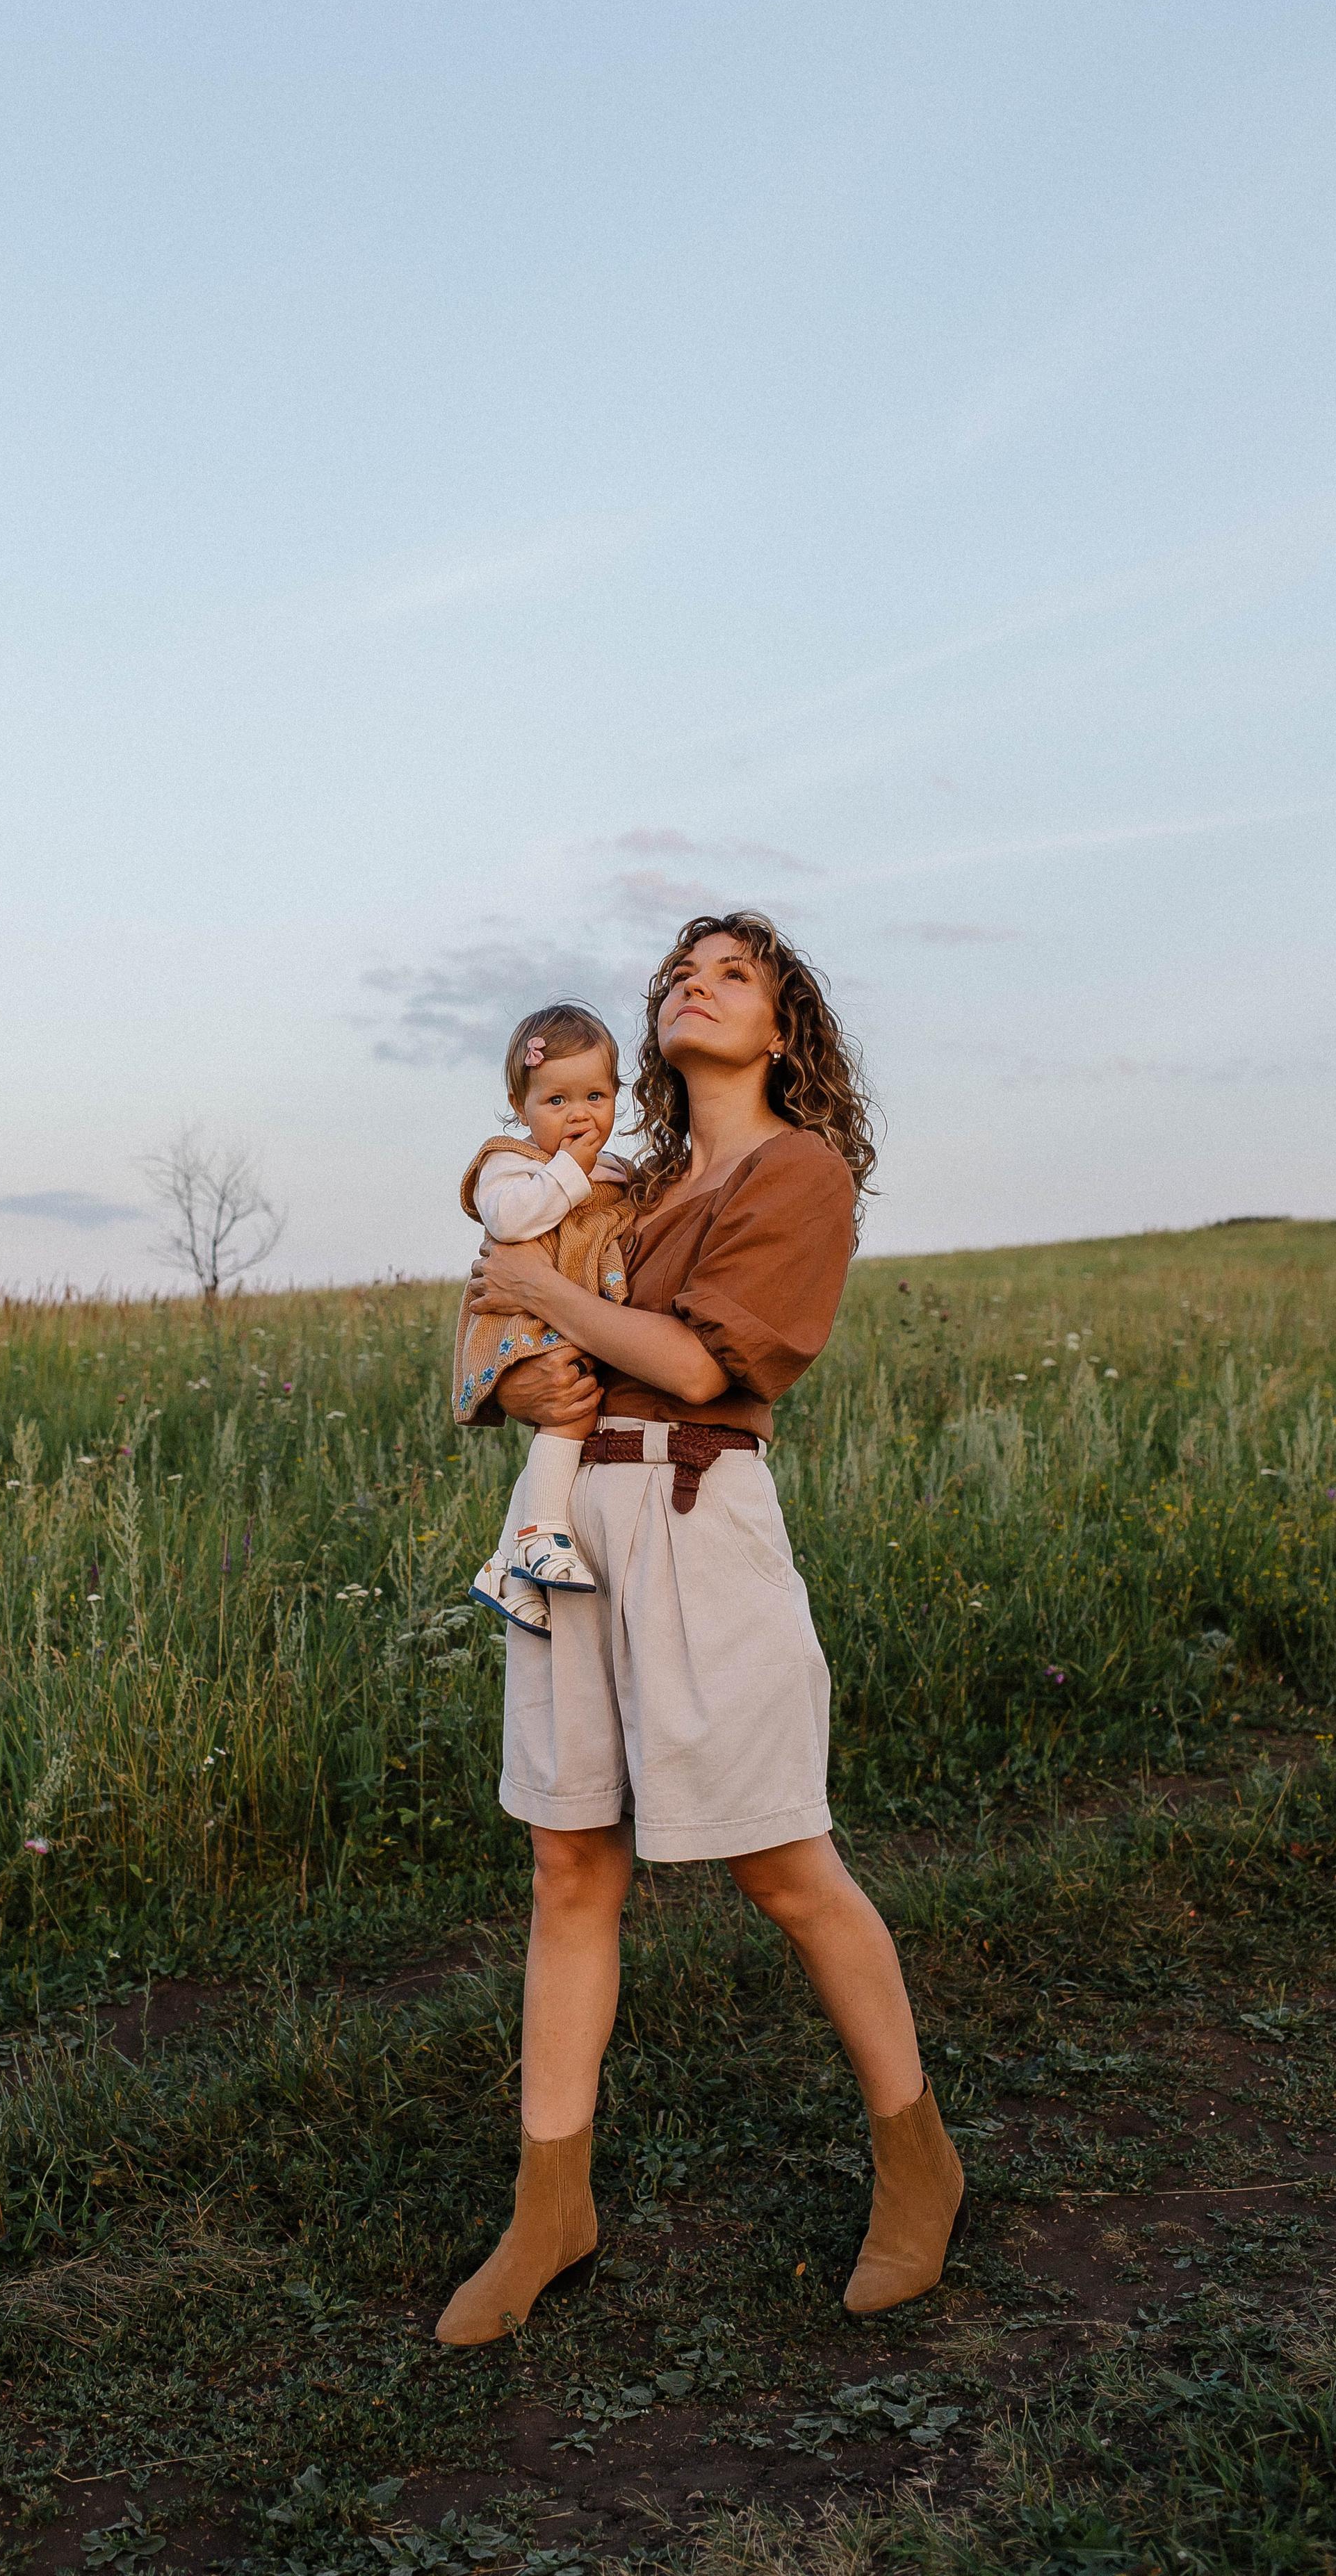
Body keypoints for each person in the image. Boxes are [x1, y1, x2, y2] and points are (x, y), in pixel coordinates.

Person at [434, 913, 966, 2345]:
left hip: (695, 1517)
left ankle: (916, 2158)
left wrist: (547, 1301)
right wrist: (514, 1387)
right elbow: (501, 1314)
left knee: (782, 1861)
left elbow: (688, 1361)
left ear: (781, 1026)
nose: (693, 985)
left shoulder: (797, 1174)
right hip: (569, 1528)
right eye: (678, 970)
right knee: (566, 1862)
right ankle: (552, 2205)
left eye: (731, 973)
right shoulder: (624, 1174)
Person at [452, 1003, 635, 1636]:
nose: (579, 1114)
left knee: (577, 1408)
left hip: (568, 1316)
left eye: (595, 1095)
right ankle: (539, 1532)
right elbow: (510, 1220)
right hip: (518, 1320)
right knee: (570, 1411)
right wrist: (570, 1171)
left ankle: (504, 1565)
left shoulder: (615, 1173)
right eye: (556, 1100)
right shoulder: (509, 1162)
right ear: (519, 1103)